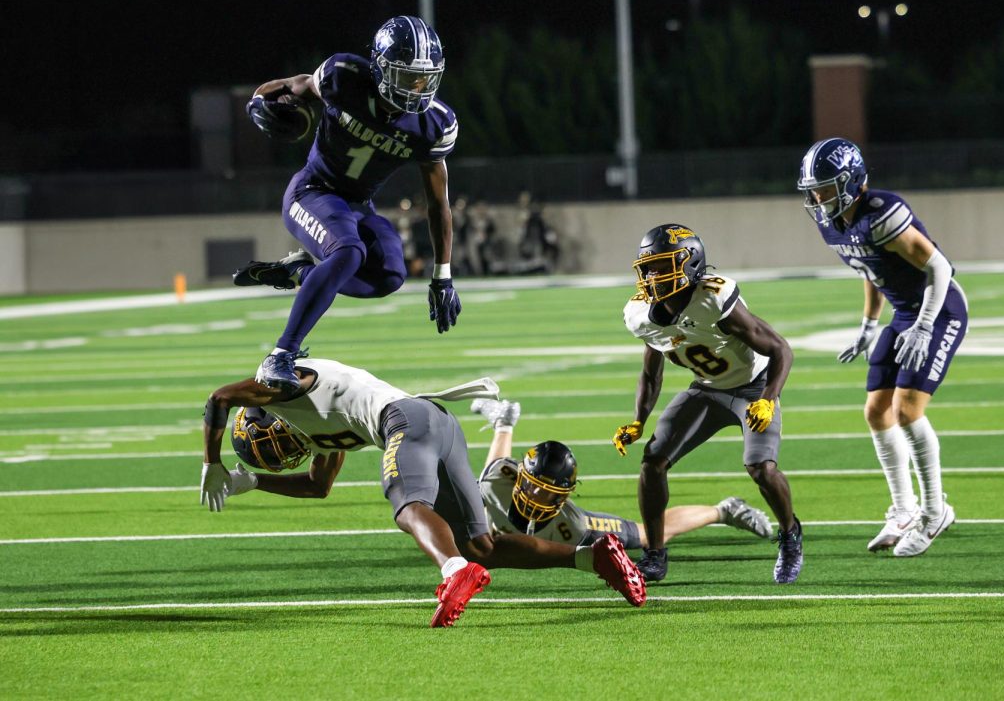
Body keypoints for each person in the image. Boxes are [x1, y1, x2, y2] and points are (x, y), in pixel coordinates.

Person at [198, 358, 647, 628]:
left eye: (269, 443)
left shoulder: (282, 383)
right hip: (438, 424)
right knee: (482, 546)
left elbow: (219, 397)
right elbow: (319, 487)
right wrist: (254, 480)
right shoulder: (316, 435)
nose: (280, 451)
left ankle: (453, 571)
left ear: (265, 414)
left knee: (408, 502)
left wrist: (211, 462)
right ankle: (593, 557)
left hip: (408, 420)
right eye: (271, 456)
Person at [234, 15, 463, 392]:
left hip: (357, 205)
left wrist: (443, 275)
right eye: (407, 77)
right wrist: (259, 101)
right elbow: (294, 85)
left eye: (424, 78)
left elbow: (439, 202)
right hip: (312, 190)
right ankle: (280, 355)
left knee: (390, 275)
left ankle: (301, 274)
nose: (416, 88)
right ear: (380, 67)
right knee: (349, 252)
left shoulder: (435, 124)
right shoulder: (344, 76)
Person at [797, 137, 965, 557]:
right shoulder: (831, 221)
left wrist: (925, 326)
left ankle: (934, 512)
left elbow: (940, 267)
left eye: (825, 186)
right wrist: (869, 325)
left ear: (851, 183)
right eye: (813, 188)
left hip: (939, 308)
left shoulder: (881, 214)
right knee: (875, 411)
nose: (817, 196)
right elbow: (868, 269)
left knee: (906, 410)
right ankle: (904, 510)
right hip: (903, 313)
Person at [611, 224, 804, 584]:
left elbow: (781, 349)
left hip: (753, 387)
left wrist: (768, 399)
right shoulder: (640, 314)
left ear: (690, 263)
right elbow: (651, 374)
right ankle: (654, 554)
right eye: (648, 268)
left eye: (661, 266)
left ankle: (791, 535)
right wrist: (638, 420)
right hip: (707, 389)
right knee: (652, 463)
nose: (652, 277)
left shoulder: (713, 298)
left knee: (761, 468)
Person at [470, 397, 772, 547]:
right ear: (520, 477)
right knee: (481, 486)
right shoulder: (499, 479)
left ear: (563, 496)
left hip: (564, 533)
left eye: (548, 491)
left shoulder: (572, 527)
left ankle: (723, 510)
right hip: (492, 493)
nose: (537, 495)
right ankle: (503, 422)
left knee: (645, 535)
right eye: (535, 485)